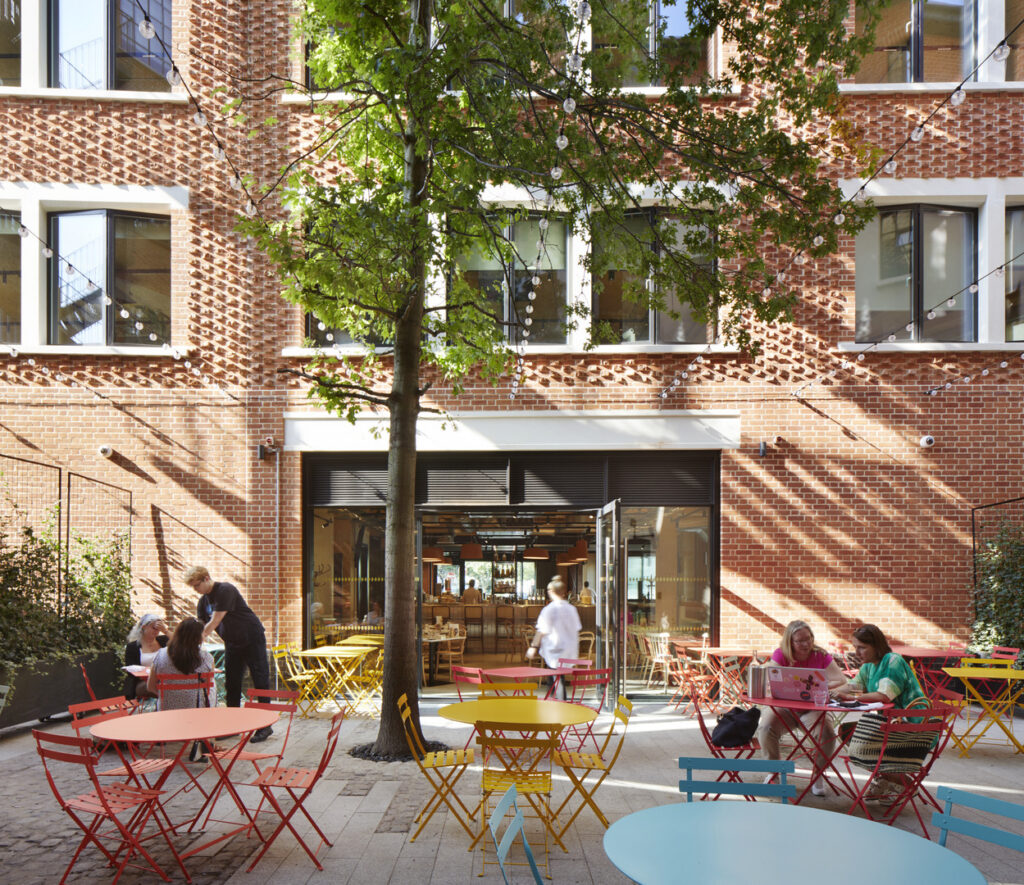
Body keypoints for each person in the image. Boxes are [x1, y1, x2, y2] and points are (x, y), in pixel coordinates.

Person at [833, 623, 931, 800]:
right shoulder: (869, 665)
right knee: (848, 731)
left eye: (862, 647)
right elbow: (854, 685)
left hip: (913, 728)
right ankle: (890, 779)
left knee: (856, 737)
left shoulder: (892, 661)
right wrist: (828, 693)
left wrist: (851, 697)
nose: (857, 653)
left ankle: (902, 782)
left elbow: (884, 695)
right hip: (892, 726)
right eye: (855, 647)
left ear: (876, 646)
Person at [757, 619, 846, 797]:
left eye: (808, 639)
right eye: (800, 641)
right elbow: (770, 680)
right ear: (790, 642)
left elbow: (842, 680)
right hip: (785, 708)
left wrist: (822, 685)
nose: (806, 644)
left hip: (814, 709)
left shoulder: (820, 655)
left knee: (827, 734)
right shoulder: (781, 655)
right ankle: (774, 772)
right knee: (765, 728)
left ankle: (818, 775)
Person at [185, 564, 273, 742]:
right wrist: (189, 640)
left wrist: (196, 642)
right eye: (193, 587)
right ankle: (233, 726)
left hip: (252, 638)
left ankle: (265, 726)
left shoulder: (225, 590)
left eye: (197, 585)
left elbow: (215, 621)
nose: (196, 590)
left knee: (260, 680)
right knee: (232, 683)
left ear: (206, 578)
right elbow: (201, 625)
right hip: (233, 642)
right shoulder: (203, 602)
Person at [526, 578, 581, 699]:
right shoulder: (572, 609)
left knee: (556, 681)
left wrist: (533, 647)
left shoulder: (549, 609)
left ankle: (560, 706)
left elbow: (542, 630)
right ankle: (556, 704)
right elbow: (576, 628)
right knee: (557, 680)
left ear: (550, 591)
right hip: (568, 651)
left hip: (554, 651)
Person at [146, 618, 216, 711]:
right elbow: (208, 688)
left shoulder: (161, 655)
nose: (205, 635)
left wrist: (169, 695)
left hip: (167, 710)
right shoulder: (207, 658)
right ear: (198, 638)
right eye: (203, 633)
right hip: (197, 709)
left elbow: (150, 687)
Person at [123, 613, 168, 700]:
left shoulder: (164, 640)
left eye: (158, 629)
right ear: (144, 627)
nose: (157, 631)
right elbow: (131, 670)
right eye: (154, 628)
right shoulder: (132, 647)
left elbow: (179, 643)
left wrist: (165, 631)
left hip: (164, 679)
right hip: (143, 682)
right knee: (160, 686)